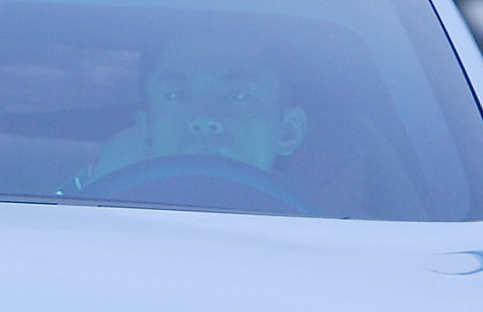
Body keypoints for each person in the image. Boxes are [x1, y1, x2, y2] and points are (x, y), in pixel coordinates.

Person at [68, 32, 309, 199]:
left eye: (238, 96)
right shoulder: (84, 237)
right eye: (176, 96)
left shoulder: (334, 243)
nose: (204, 119)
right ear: (147, 130)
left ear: (288, 132)